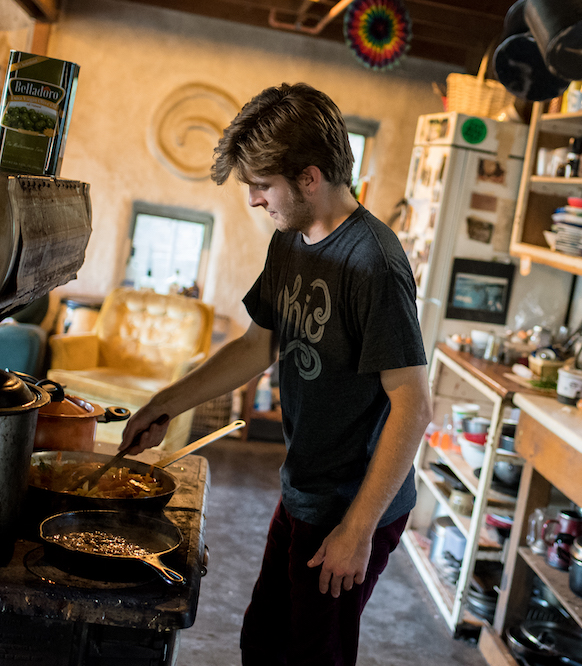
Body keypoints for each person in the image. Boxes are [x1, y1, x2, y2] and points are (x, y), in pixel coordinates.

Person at [120, 83, 432, 666]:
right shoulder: (291, 241)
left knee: (311, 656)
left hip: (352, 502)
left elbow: (413, 404)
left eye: (263, 186)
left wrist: (358, 530)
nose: (256, 201)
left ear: (309, 178)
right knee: (263, 642)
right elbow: (256, 344)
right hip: (304, 488)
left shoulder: (375, 265)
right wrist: (165, 401)